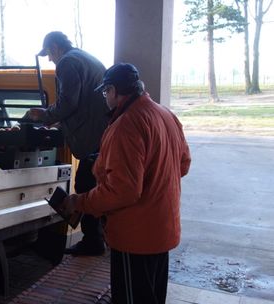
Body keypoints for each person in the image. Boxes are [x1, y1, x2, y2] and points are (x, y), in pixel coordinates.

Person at [60, 63, 192, 303]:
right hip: (162, 229)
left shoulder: (126, 125)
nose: (104, 98)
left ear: (113, 90)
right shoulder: (165, 114)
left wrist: (79, 202)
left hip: (136, 237)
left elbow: (122, 191)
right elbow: (182, 164)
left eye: (104, 93)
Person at [27, 31, 109, 256]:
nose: (50, 59)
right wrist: (61, 125)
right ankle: (101, 237)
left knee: (85, 185)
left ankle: (93, 241)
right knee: (97, 185)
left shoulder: (67, 62)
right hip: (103, 133)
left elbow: (68, 102)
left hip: (92, 137)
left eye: (48, 54)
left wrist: (44, 115)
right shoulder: (84, 57)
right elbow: (83, 103)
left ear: (55, 47)